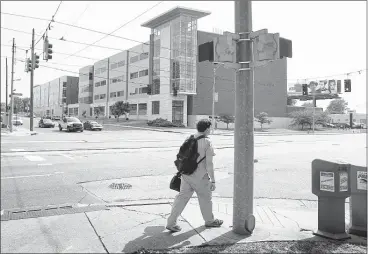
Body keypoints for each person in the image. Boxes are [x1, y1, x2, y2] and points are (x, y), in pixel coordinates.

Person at [166, 119, 223, 232]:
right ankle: (209, 221)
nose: (211, 130)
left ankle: (171, 223)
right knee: (205, 199)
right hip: (200, 177)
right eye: (210, 128)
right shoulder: (207, 142)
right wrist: (213, 180)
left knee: (181, 198)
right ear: (207, 129)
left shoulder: (190, 138)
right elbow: (209, 164)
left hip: (186, 174)